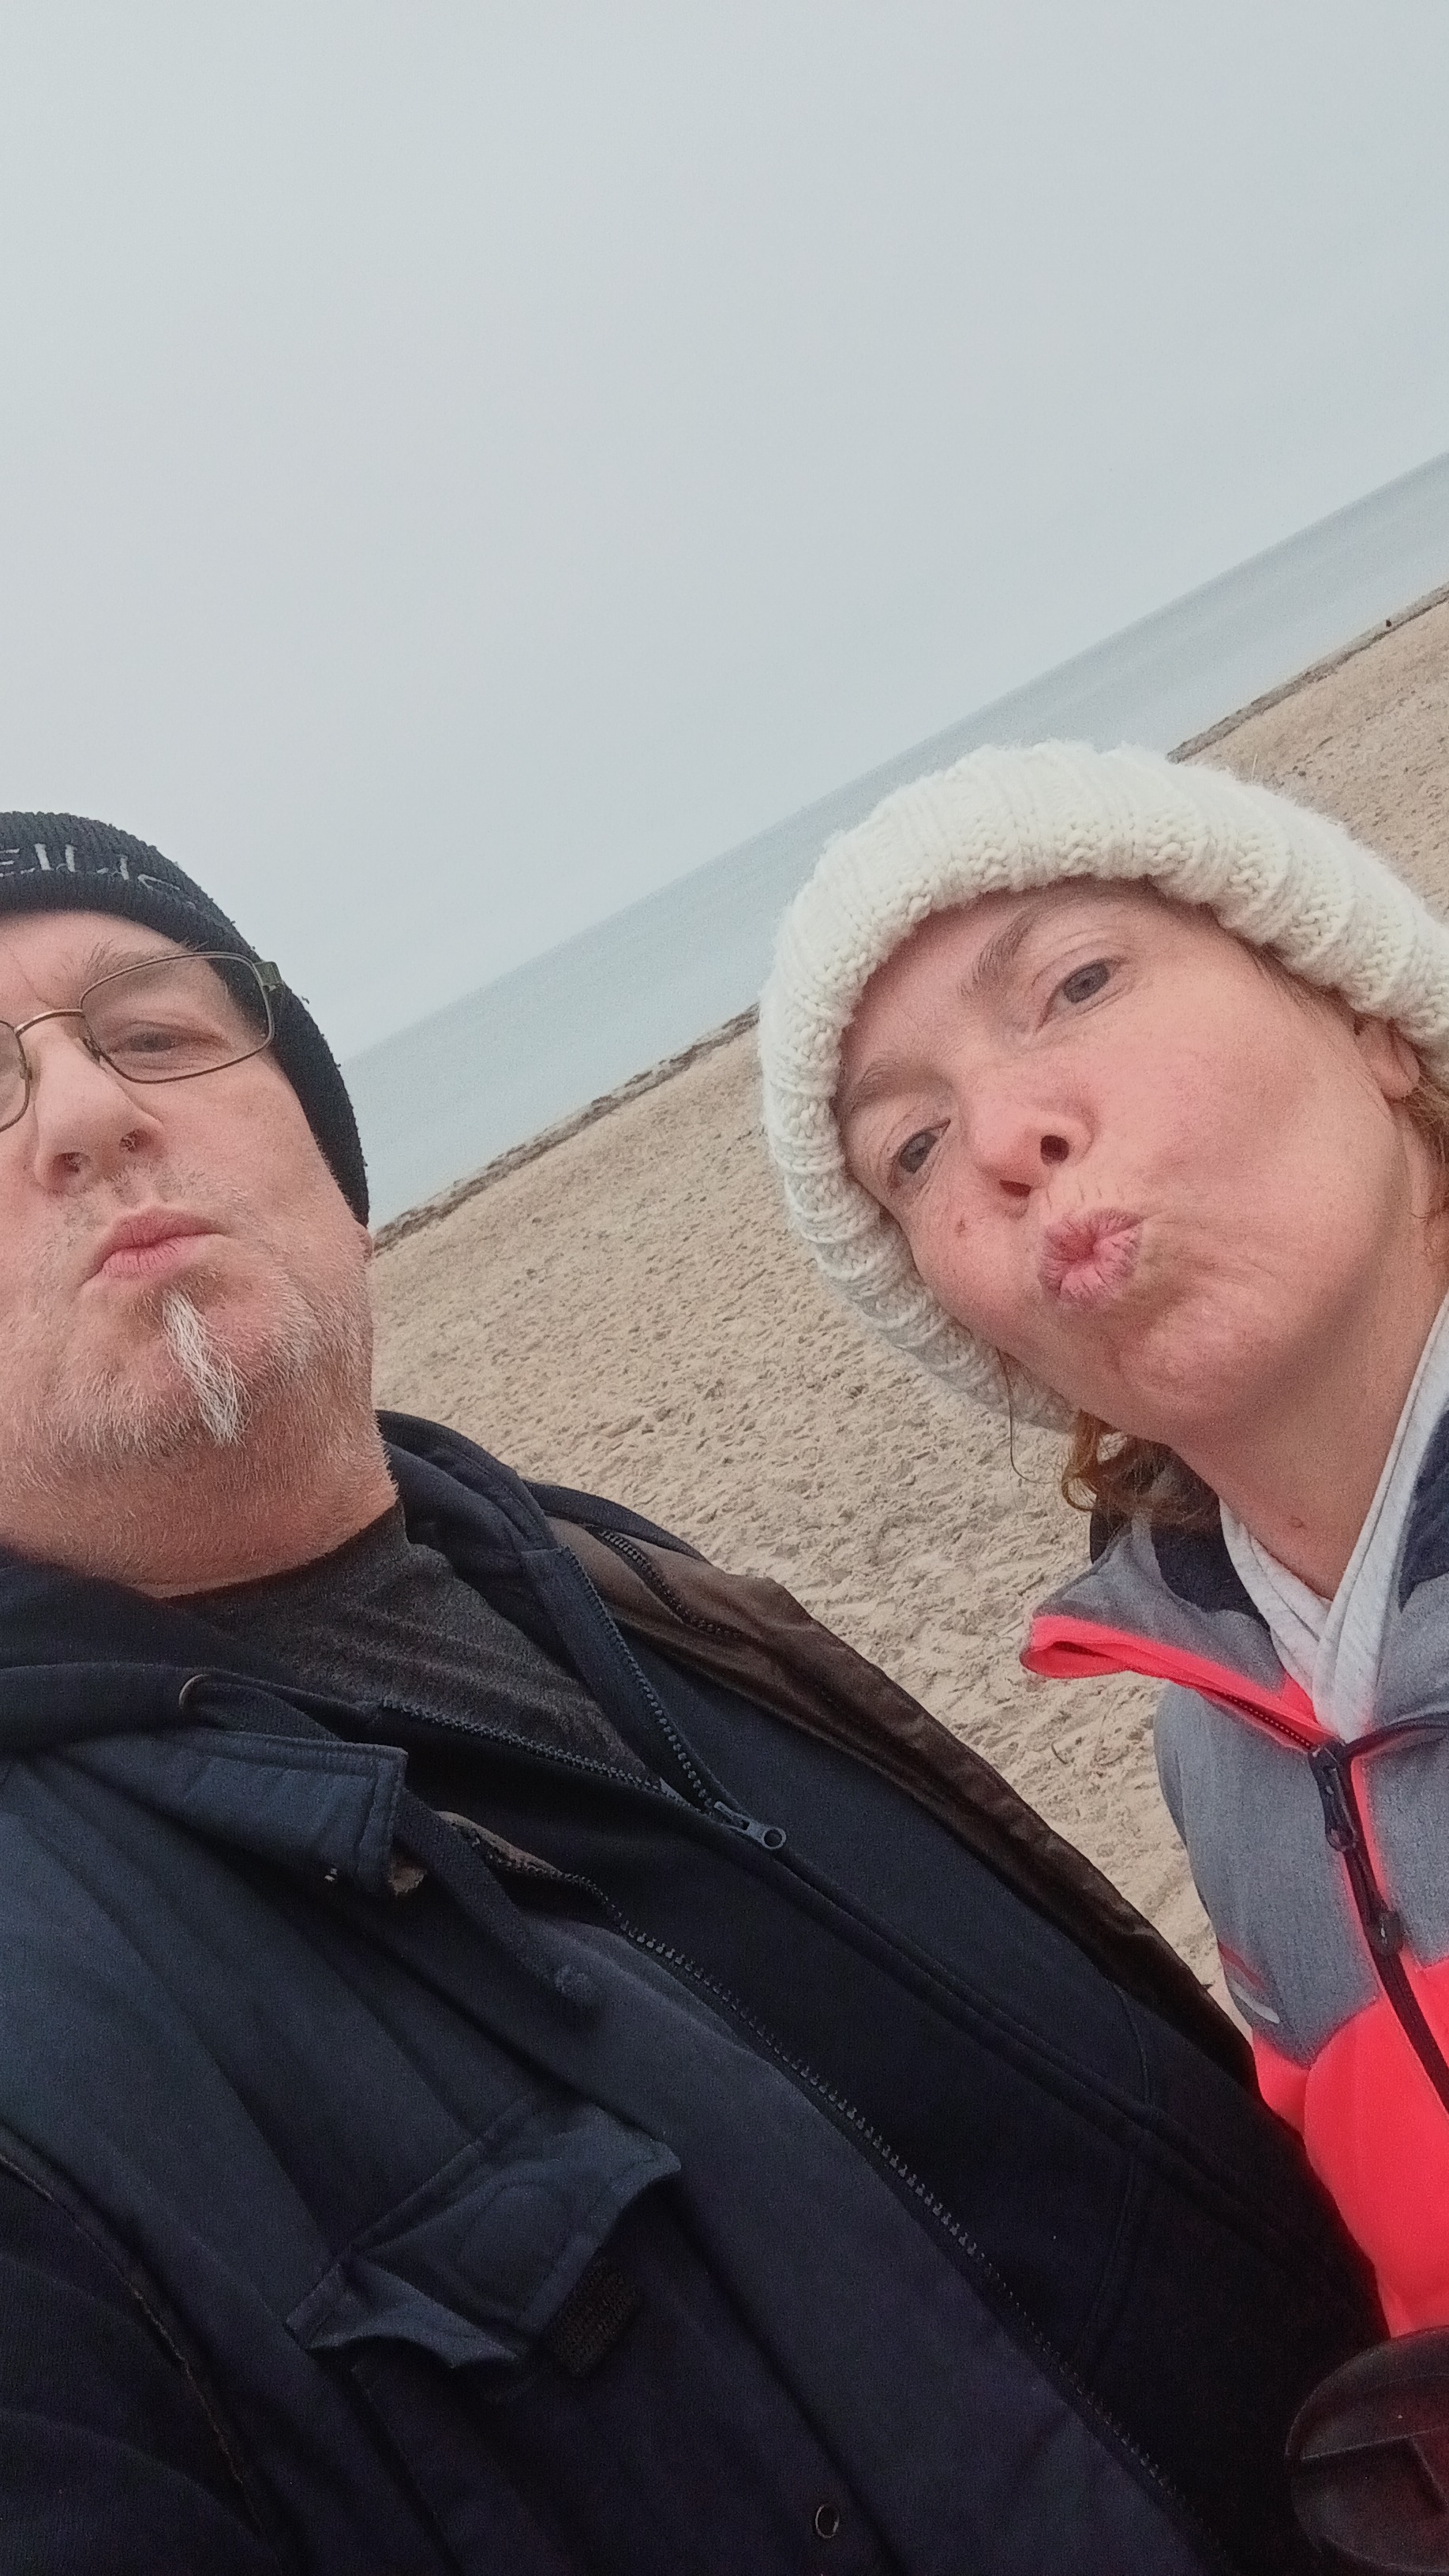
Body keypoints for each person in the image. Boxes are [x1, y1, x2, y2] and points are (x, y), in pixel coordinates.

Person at [0, 809, 1376, 2576]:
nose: (92, 1112)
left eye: (153, 1034)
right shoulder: (38, 2070)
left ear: (330, 1165)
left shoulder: (602, 1570)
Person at [759, 737, 1449, 2563]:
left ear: (1367, 1017)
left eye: (1075, 984)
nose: (1004, 1139)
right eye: (912, 1148)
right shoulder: (1220, 1731)